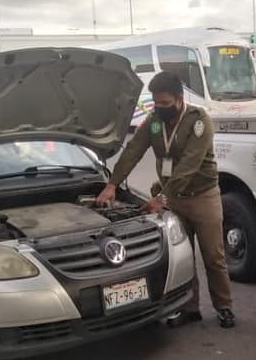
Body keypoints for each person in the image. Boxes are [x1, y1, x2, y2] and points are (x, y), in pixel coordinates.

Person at [96, 71, 235, 329]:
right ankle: (189, 307)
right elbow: (134, 151)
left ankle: (224, 306)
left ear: (179, 99)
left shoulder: (199, 121)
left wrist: (162, 198)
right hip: (172, 198)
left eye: (165, 103)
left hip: (202, 197)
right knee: (183, 256)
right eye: (156, 103)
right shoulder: (155, 122)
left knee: (213, 257)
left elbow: (189, 166)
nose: (160, 108)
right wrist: (112, 185)